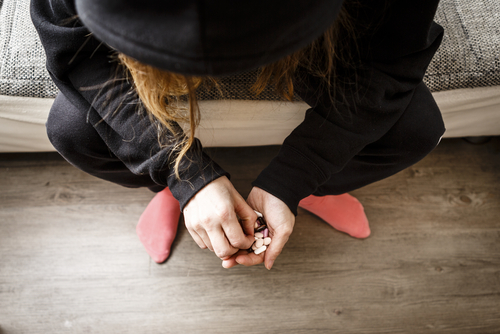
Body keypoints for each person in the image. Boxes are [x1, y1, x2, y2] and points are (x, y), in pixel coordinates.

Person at [31, 0, 445, 270]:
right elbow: (77, 58)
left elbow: (389, 64)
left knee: (415, 127)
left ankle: (320, 188)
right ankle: (165, 193)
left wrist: (297, 178)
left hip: (322, 42)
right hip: (137, 60)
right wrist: (183, 176)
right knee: (71, 129)